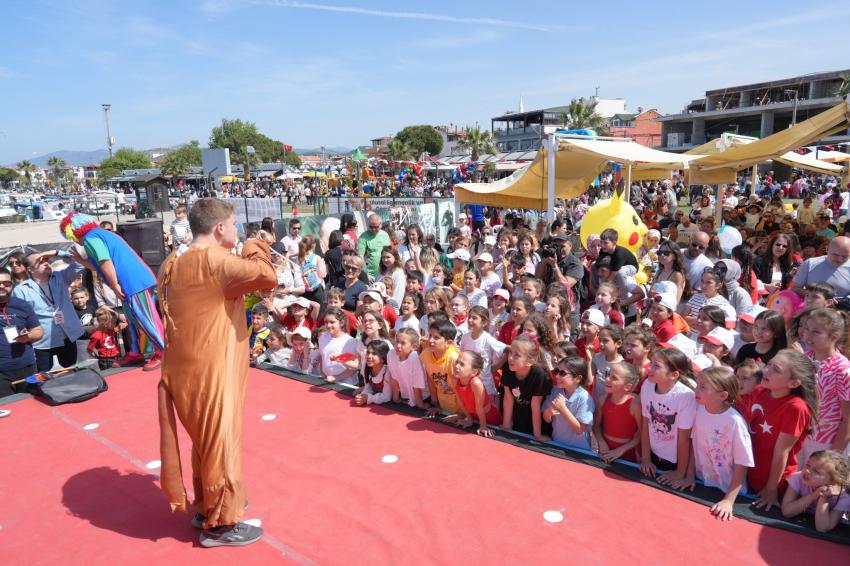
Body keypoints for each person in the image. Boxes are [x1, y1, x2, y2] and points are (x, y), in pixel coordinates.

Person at [156, 198, 276, 547]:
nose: (238, 231)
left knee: (204, 441)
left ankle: (207, 505)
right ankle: (222, 522)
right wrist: (256, 244)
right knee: (221, 441)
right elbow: (266, 276)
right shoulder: (216, 261)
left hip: (182, 368)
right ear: (220, 228)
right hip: (211, 368)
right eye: (235, 225)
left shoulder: (173, 260)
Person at [59, 211, 165, 370]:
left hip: (132, 281)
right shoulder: (100, 234)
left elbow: (105, 262)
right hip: (134, 279)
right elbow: (99, 266)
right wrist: (81, 261)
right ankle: (136, 351)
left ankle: (162, 351)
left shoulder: (91, 239)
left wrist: (114, 285)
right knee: (132, 318)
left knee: (145, 317)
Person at [737, 349, 818, 511]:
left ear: (794, 383)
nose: (767, 370)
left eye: (776, 369)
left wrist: (771, 489)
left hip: (772, 484)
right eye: (769, 365)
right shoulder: (759, 390)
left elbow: (782, 451)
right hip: (748, 473)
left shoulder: (795, 407)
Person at [686, 367, 754, 521]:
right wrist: (689, 475)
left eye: (703, 387)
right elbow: (693, 443)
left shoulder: (735, 422)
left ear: (723, 395)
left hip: (729, 490)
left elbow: (742, 463)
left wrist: (729, 500)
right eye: (698, 385)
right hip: (701, 482)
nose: (697, 390)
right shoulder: (698, 409)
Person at [12, 250, 85, 371]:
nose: (46, 263)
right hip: (44, 344)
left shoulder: (60, 277)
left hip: (68, 338)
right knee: (48, 382)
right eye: (40, 261)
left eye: (46, 259)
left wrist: (56, 252)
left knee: (72, 376)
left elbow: (80, 264)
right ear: (30, 269)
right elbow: (19, 318)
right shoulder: (21, 290)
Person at [639, 348, 696, 485]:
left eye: (656, 366)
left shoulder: (685, 396)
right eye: (651, 363)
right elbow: (646, 423)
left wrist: (680, 472)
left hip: (675, 462)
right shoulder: (647, 385)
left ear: (674, 374)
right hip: (653, 456)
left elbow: (684, 439)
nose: (649, 368)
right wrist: (646, 458)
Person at [800, 308, 850, 460]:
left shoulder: (842, 368)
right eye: (807, 329)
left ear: (834, 336)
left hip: (824, 441)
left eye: (816, 332)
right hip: (799, 433)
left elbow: (848, 418)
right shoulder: (805, 357)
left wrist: (834, 454)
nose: (808, 335)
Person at [781, 450, 850, 532]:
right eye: (808, 465)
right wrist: (813, 496)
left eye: (816, 471)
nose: (807, 471)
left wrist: (824, 498)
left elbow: (822, 528)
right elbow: (786, 512)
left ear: (833, 481)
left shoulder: (843, 497)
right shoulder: (798, 478)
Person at [0, 268, 43, 397]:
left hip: (27, 368)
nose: (2, 286)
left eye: (6, 283)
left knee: (31, 406)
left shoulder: (22, 305)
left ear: (11, 284)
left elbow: (38, 331)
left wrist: (28, 336)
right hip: (1, 373)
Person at [500, 334, 552, 440]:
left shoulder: (539, 375)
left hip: (537, 422)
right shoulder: (507, 368)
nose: (510, 358)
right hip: (518, 417)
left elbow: (536, 405)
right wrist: (506, 426)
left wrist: (537, 435)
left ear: (530, 361)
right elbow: (508, 399)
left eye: (516, 355)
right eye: (510, 352)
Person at [593, 361, 642, 463]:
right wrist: (602, 443)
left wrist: (620, 450)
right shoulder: (602, 400)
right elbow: (596, 426)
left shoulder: (635, 404)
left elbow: (642, 433)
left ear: (627, 386)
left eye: (614, 378)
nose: (607, 379)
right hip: (606, 451)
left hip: (629, 453)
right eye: (608, 375)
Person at [445, 350, 501, 437]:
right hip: (473, 415)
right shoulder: (455, 378)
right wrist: (469, 419)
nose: (456, 366)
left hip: (488, 417)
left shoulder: (476, 383)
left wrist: (483, 426)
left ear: (474, 372)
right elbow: (460, 402)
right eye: (457, 362)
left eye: (462, 364)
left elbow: (479, 407)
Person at [543, 356, 594, 449]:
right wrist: (549, 412)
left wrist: (563, 408)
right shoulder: (556, 391)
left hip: (578, 449)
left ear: (578, 378)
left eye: (562, 373)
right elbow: (546, 418)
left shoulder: (584, 397)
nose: (557, 376)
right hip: (557, 443)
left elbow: (580, 429)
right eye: (557, 371)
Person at [387, 328, 428, 408]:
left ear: (413, 346)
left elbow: (417, 385)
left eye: (403, 343)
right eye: (397, 341)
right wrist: (395, 398)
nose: (398, 345)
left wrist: (420, 404)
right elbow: (394, 378)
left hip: (423, 396)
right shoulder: (391, 354)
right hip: (405, 396)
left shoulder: (414, 358)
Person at [356, 213, 391, 280]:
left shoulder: (385, 235)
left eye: (376, 227)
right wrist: (365, 274)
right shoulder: (363, 237)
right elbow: (360, 257)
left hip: (384, 273)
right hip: (370, 276)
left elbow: (390, 253)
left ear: (381, 225)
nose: (373, 229)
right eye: (371, 227)